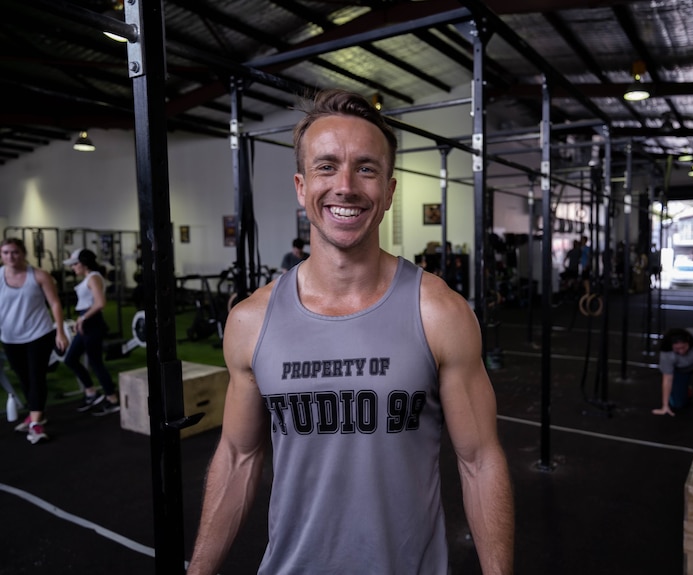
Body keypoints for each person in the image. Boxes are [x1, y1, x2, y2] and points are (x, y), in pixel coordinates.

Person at [187, 89, 514, 575]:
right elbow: (238, 456)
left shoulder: (439, 311)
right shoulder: (251, 320)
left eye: (365, 168)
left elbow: (480, 462)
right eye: (326, 167)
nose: (345, 186)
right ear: (301, 186)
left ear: (388, 189)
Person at [0, 238, 69, 444]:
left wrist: (61, 332)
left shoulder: (39, 276)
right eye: (5, 253)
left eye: (14, 252)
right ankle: (35, 413)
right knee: (23, 378)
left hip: (39, 334)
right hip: (10, 337)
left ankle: (36, 424)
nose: (10, 257)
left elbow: (55, 303)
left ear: (23, 253)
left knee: (36, 376)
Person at [62, 248, 120, 415]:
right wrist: (82, 319)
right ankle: (91, 393)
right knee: (71, 359)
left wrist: (82, 318)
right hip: (86, 322)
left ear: (84, 263)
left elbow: (100, 303)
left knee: (96, 363)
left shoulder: (94, 277)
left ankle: (112, 399)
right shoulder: (89, 277)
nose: (73, 268)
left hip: (92, 323)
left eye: (75, 264)